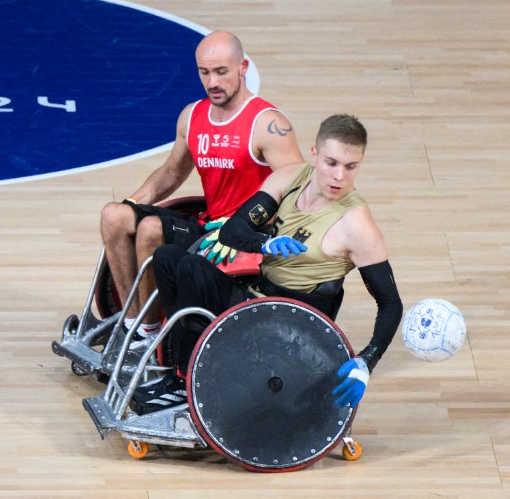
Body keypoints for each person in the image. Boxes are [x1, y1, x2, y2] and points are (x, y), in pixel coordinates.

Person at [151, 113, 403, 409]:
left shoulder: (357, 224)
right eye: (331, 163)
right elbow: (233, 231)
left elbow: (390, 303)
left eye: (351, 167)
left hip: (289, 327)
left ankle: (187, 385)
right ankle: (184, 365)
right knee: (167, 258)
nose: (339, 177)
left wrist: (367, 362)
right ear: (314, 155)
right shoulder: (291, 177)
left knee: (192, 269)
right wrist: (265, 242)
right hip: (255, 299)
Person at [99, 29, 304, 341]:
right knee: (113, 216)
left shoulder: (267, 124)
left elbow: (297, 187)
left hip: (244, 238)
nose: (213, 83)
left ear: (243, 68)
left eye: (221, 72)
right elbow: (171, 172)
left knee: (151, 229)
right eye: (204, 73)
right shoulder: (192, 116)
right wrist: (131, 204)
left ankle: (152, 336)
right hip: (206, 228)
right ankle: (133, 327)